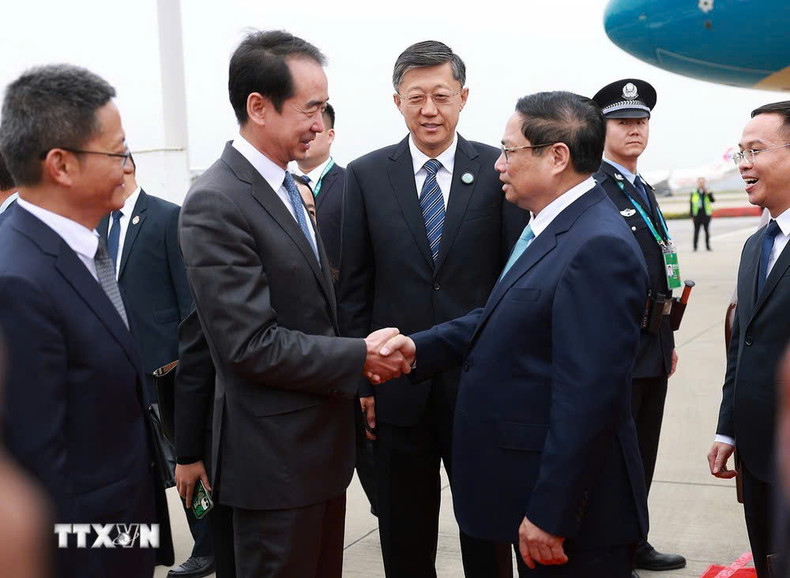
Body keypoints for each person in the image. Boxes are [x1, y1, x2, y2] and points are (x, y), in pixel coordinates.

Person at [377, 91, 649, 577]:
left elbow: (588, 399)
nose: (498, 164)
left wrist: (551, 513)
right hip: (535, 495)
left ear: (556, 157)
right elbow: (508, 314)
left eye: (509, 151)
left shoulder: (598, 246)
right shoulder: (554, 227)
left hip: (573, 521)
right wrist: (421, 346)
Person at [177, 30, 409, 578]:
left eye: (324, 107)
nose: (319, 122)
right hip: (272, 467)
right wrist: (360, 358)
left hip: (316, 459)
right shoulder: (218, 200)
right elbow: (248, 345)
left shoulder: (289, 188)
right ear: (258, 107)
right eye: (310, 108)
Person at [338, 39, 528, 578]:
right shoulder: (366, 174)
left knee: (487, 531)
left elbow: (514, 282)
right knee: (404, 530)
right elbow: (355, 288)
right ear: (396, 100)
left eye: (441, 96)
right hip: (397, 388)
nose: (429, 110)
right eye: (415, 96)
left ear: (463, 97)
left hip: (480, 383)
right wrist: (363, 382)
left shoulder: (498, 169)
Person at [0, 63, 173, 577]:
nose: (127, 165)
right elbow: (39, 472)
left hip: (123, 529)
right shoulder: (19, 281)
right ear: (61, 165)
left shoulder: (80, 248)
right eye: (117, 151)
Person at [96, 157, 213, 578]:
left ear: (126, 165)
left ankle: (207, 544)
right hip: (118, 371)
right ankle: (137, 546)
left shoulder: (166, 217)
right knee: (136, 468)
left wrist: (186, 364)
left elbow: (188, 300)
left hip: (166, 369)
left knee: (186, 459)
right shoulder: (95, 225)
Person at [592, 78, 685, 575]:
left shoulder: (640, 185)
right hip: (617, 347)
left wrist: (666, 337)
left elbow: (659, 268)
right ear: (601, 127)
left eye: (641, 121)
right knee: (615, 452)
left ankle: (636, 538)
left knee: (644, 447)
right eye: (623, 122)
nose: (635, 130)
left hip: (652, 341)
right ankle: (613, 546)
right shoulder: (597, 187)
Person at [707, 100, 790, 578]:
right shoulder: (756, 245)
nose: (743, 163)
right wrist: (728, 428)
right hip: (757, 457)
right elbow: (743, 344)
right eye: (741, 151)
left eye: (755, 150)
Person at [292, 103, 344, 270]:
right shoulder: (282, 186)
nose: (305, 135)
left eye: (313, 130)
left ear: (330, 136)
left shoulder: (351, 184)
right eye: (299, 128)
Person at [690, 176, 715, 251]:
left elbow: (712, 200)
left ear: (704, 183)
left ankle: (707, 246)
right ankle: (695, 246)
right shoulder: (694, 192)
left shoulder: (708, 191)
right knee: (696, 231)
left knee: (706, 231)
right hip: (697, 214)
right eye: (700, 182)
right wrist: (691, 215)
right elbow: (691, 204)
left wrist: (707, 193)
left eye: (702, 182)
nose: (701, 184)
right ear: (697, 183)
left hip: (706, 214)